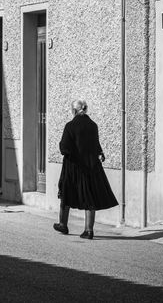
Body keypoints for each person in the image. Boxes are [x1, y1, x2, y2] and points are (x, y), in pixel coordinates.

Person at [53, 99, 118, 239]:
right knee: (90, 196)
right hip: (91, 166)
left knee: (66, 193)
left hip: (73, 167)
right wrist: (99, 153)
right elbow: (95, 144)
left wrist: (66, 150)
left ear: (75, 111)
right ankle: (89, 230)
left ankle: (62, 225)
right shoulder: (93, 125)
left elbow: (64, 148)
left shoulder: (70, 126)